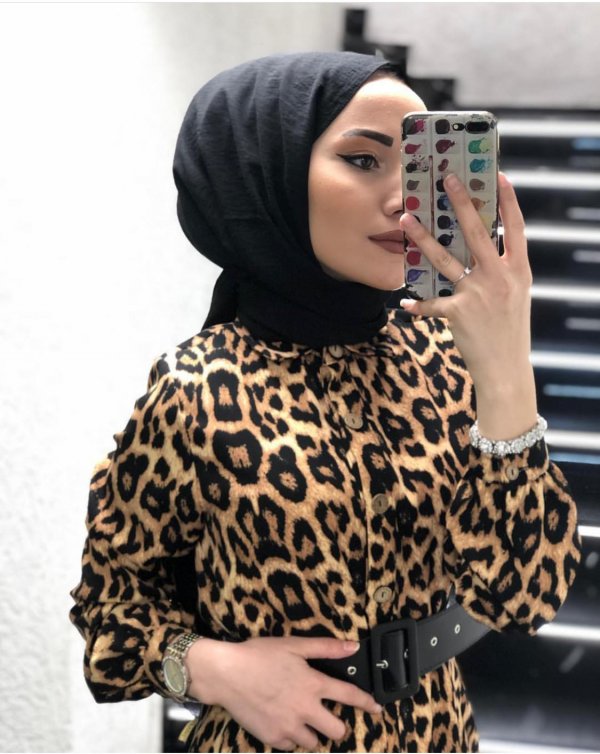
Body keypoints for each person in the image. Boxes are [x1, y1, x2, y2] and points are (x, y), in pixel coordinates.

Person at [70, 51, 582, 753]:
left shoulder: (444, 354)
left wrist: (505, 365)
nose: (406, 199)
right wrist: (214, 669)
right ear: (267, 175)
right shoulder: (197, 385)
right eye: (364, 160)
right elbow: (110, 615)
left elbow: (524, 596)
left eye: (420, 165)